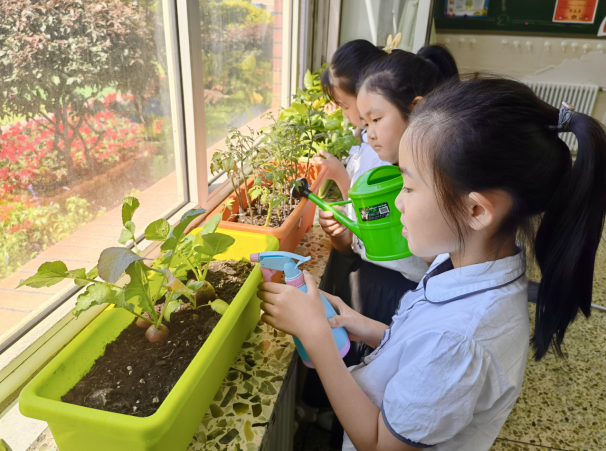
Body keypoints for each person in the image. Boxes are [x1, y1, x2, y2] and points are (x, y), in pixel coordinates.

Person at [258, 77, 606, 450]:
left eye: (408, 188)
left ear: (475, 210)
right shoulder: (460, 263)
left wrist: (316, 338)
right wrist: (369, 329)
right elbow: (423, 351)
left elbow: (379, 444)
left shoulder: (460, 343)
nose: (397, 203)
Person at [318, 45, 459, 364]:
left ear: (415, 110)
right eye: (365, 123)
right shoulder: (398, 162)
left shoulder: (425, 180)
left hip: (400, 290)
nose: (368, 135)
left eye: (375, 120)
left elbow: (429, 259)